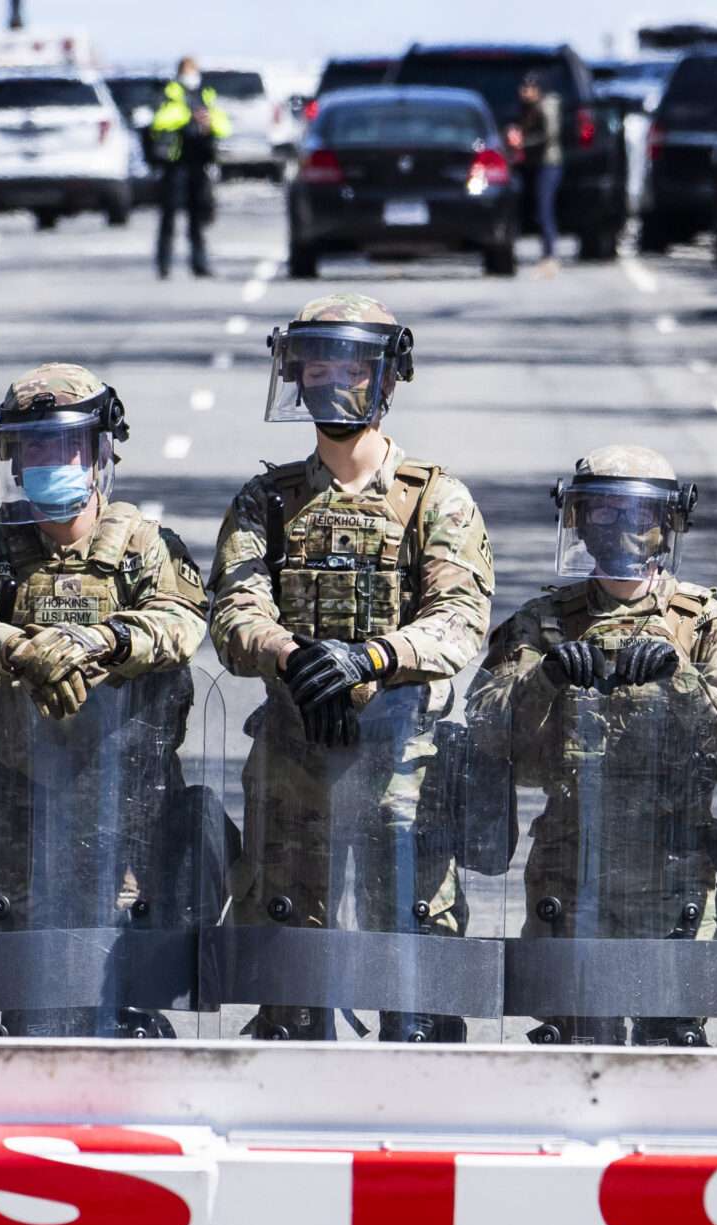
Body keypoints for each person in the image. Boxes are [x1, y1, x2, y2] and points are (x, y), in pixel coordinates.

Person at [212, 292, 494, 1042]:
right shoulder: (267, 502)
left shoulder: (436, 498)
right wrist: (293, 656)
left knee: (411, 974)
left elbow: (460, 621)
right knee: (289, 972)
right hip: (292, 759)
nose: (334, 381)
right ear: (295, 377)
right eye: (317, 365)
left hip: (404, 763)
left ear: (388, 378)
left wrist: (372, 657)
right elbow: (235, 612)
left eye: (353, 366)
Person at [0, 363, 210, 1036]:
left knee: (125, 978)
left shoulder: (143, 545)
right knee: (29, 986)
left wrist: (101, 641)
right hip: (21, 801)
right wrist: (23, 651)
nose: (48, 463)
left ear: (98, 452)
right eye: (32, 450)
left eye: (62, 447)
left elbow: (182, 622)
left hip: (129, 801)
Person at [467, 445, 717, 1045]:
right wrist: (543, 679)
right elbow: (483, 726)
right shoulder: (543, 623)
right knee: (575, 1037)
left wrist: (679, 677)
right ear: (577, 519)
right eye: (601, 512)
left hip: (678, 863)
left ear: (668, 523)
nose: (619, 527)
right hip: (570, 861)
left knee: (672, 1040)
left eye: (637, 513)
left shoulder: (707, 625)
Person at [150, 56, 230, 280]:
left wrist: (209, 122)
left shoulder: (206, 94)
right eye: (187, 71)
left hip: (199, 163)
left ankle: (200, 263)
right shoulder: (170, 93)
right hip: (175, 164)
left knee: (198, 218)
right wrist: (187, 116)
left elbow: (224, 126)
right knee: (169, 217)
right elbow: (160, 121)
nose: (191, 76)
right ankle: (163, 264)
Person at [515, 72, 563, 271]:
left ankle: (550, 255)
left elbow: (548, 136)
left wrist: (522, 144)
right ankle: (546, 253)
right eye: (523, 88)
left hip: (549, 163)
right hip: (534, 164)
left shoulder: (546, 108)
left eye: (529, 89)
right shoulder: (526, 109)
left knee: (545, 209)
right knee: (537, 209)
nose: (525, 93)